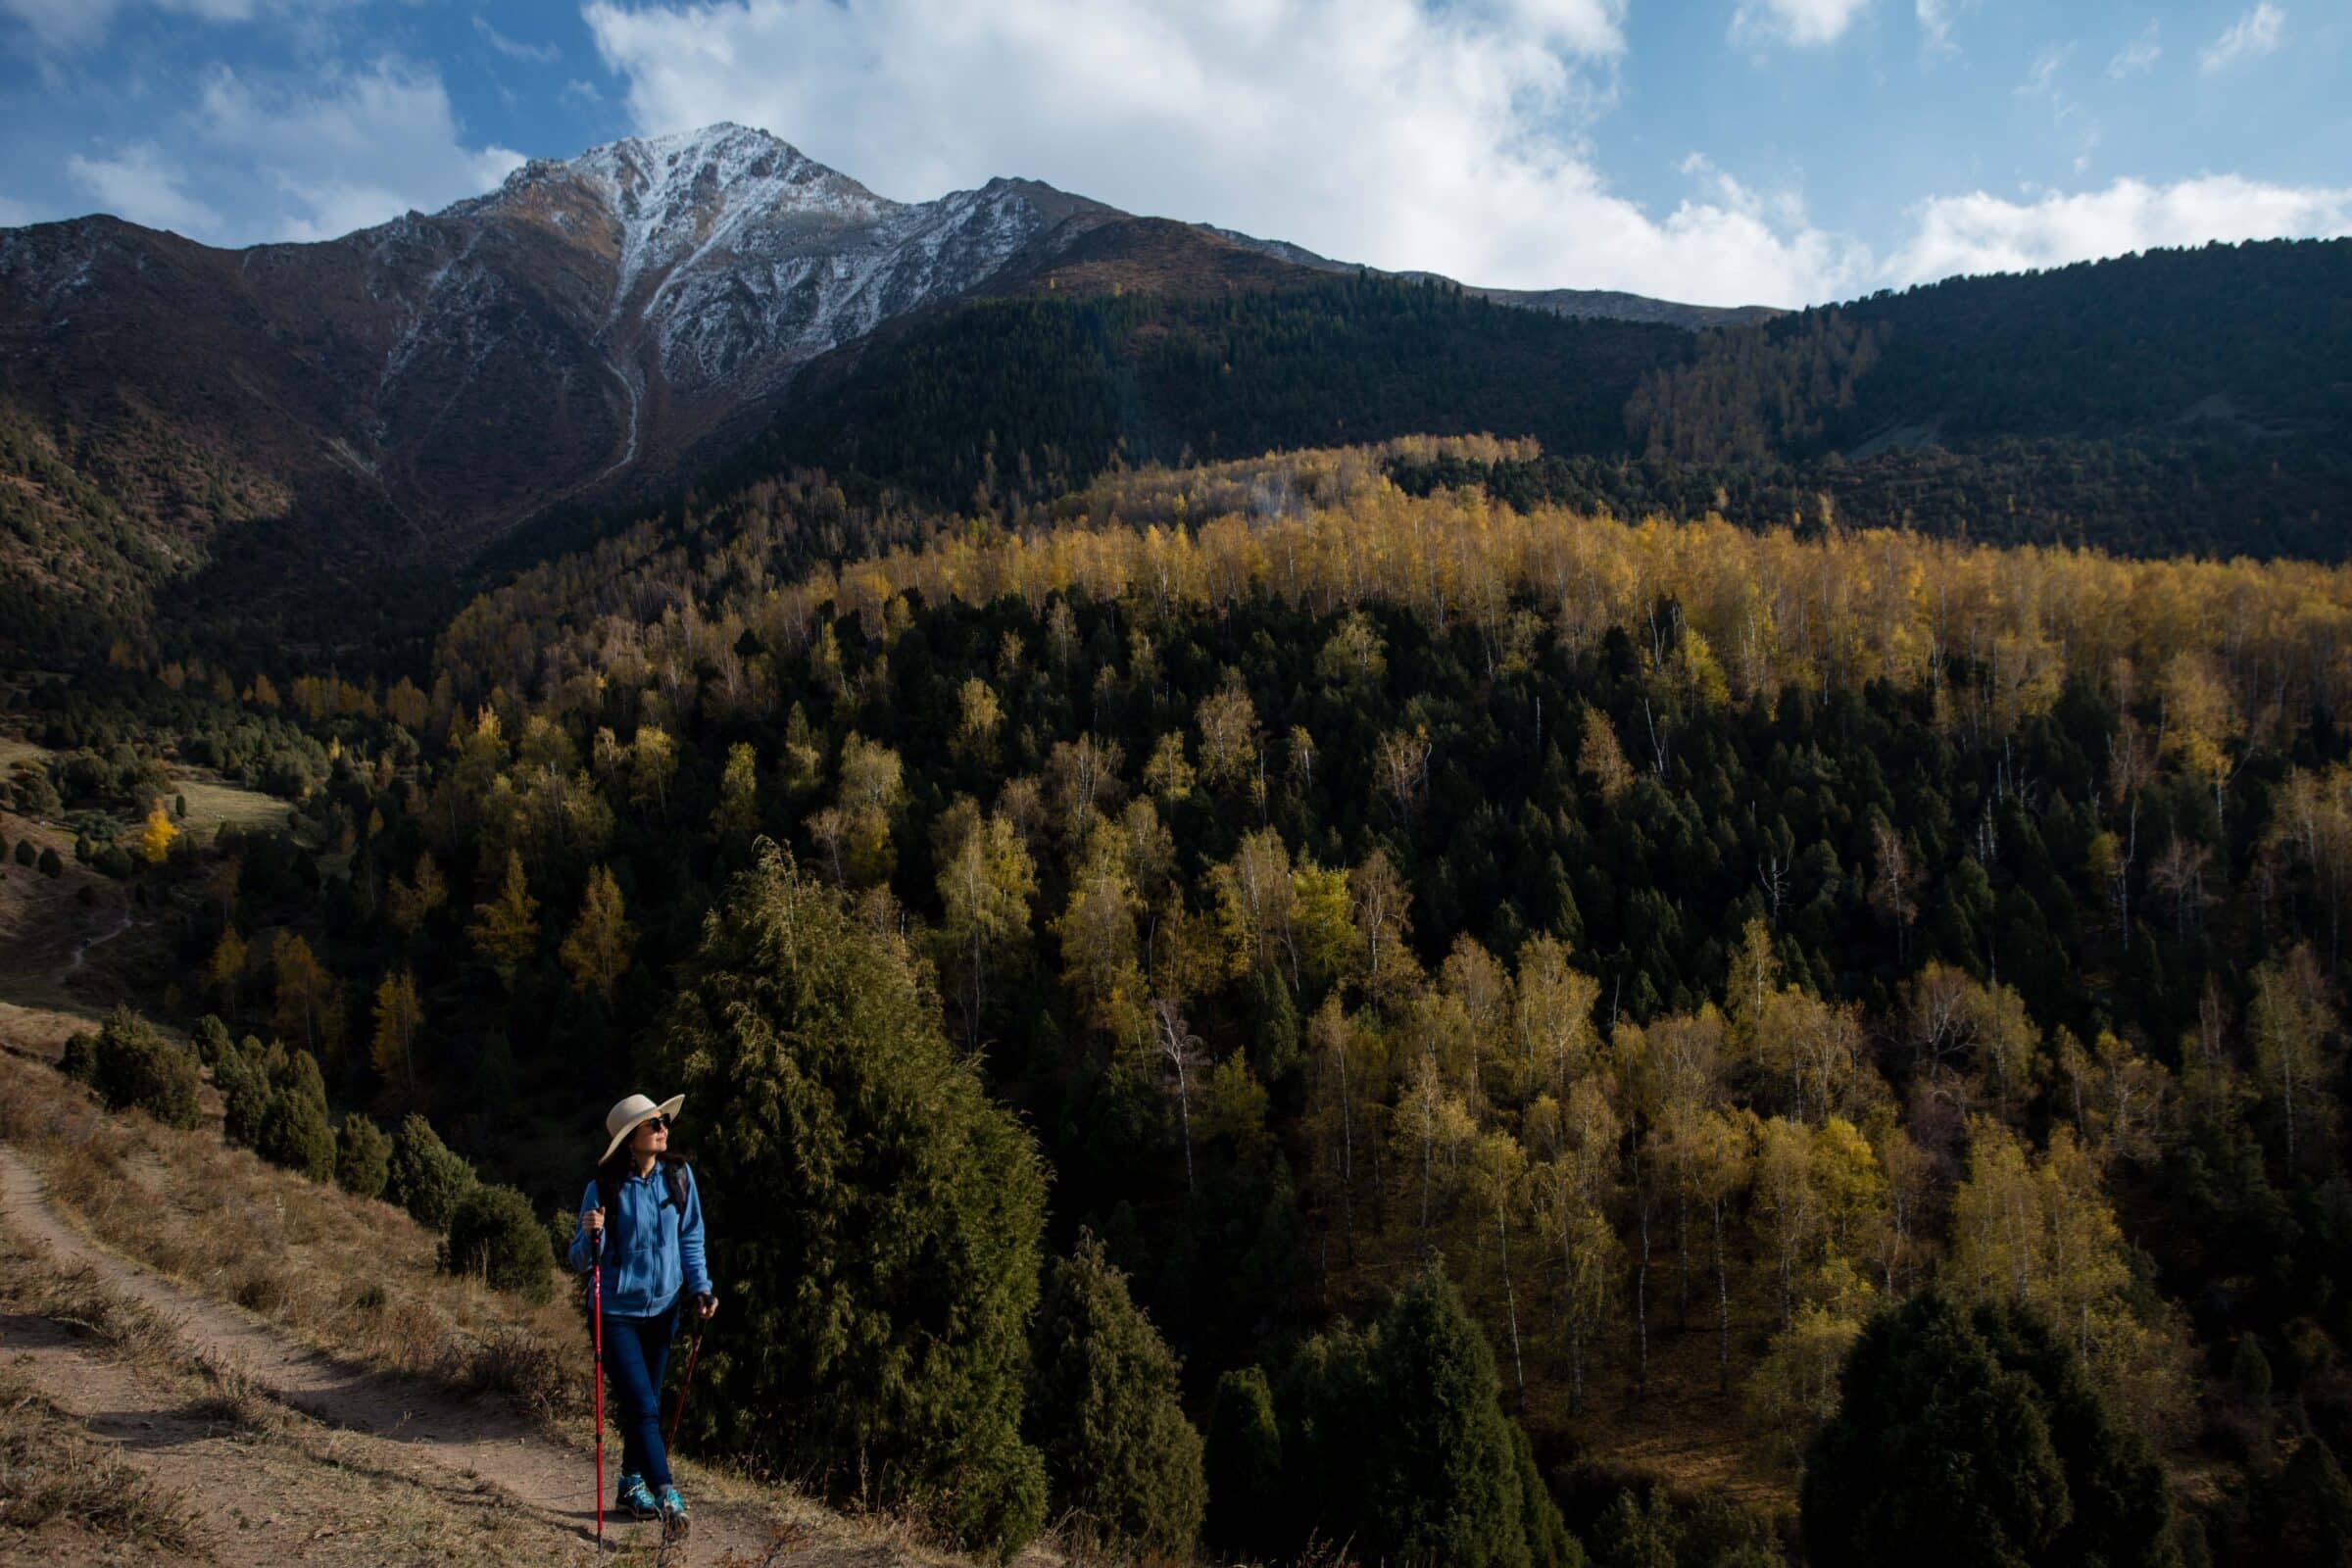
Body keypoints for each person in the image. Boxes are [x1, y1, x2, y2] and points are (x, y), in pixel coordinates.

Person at [567, 1091, 717, 1541]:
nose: (662, 1128)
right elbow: (579, 1259)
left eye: (662, 1121)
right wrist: (590, 1234)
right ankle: (667, 1494)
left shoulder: (678, 1177)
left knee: (645, 1403)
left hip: (665, 1309)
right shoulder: (603, 1189)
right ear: (631, 1138)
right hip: (615, 1313)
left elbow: (691, 1238)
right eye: (653, 1124)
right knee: (644, 1407)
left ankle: (630, 1483)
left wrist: (701, 1287)